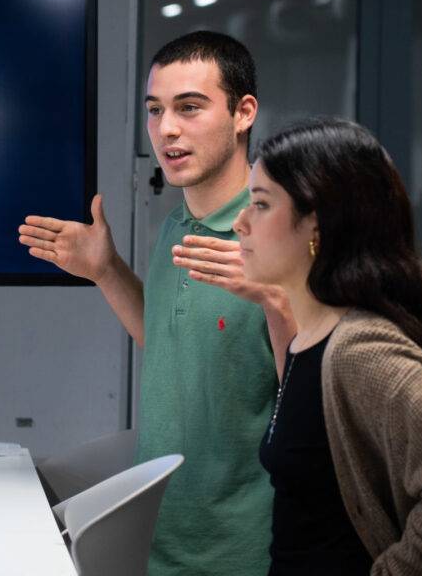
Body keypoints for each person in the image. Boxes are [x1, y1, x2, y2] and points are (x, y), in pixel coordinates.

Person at [185, 116, 422, 575]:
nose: (241, 223)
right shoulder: (310, 339)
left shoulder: (361, 350)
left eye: (260, 204)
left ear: (317, 224)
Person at [19, 31, 281, 576]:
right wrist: (106, 270)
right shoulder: (175, 229)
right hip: (161, 543)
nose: (167, 129)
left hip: (242, 555)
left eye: (190, 107)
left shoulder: (277, 235)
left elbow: (321, 395)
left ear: (244, 113)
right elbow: (166, 342)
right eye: (155, 110)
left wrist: (276, 295)